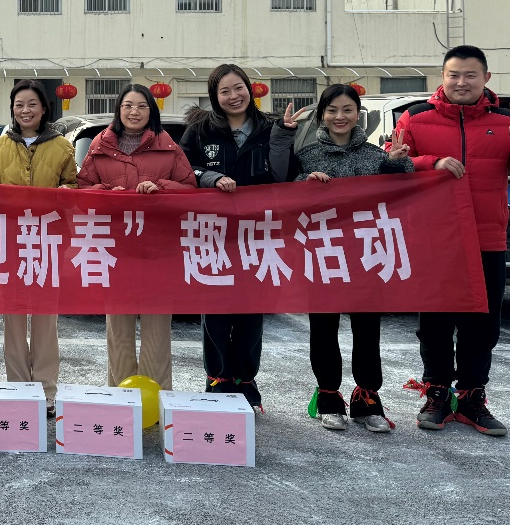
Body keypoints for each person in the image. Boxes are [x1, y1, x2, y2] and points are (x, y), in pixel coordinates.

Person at [393, 45, 510, 436]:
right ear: (442, 77)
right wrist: (431, 163)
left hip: (486, 238)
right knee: (435, 323)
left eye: (470, 75)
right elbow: (393, 166)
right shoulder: (415, 118)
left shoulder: (506, 121)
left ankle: (472, 398)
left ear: (486, 78)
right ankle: (437, 393)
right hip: (435, 238)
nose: (461, 82)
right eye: (454, 75)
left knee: (483, 324)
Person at [280, 84, 413, 433]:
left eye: (348, 110)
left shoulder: (376, 155)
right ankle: (328, 397)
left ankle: (368, 399)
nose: (340, 117)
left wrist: (399, 164)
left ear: (358, 114)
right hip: (323, 253)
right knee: (323, 327)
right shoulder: (308, 155)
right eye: (332, 110)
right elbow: (287, 195)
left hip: (366, 254)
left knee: (367, 328)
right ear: (322, 115)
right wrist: (305, 183)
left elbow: (403, 192)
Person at [178, 63, 295, 412]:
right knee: (214, 310)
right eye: (224, 91)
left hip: (257, 234)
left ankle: (246, 381)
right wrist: (210, 178)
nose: (233, 96)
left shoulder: (271, 127)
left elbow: (285, 176)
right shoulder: (199, 130)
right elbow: (182, 170)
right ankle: (218, 379)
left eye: (238, 88)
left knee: (251, 310)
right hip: (212, 233)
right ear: (214, 97)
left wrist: (283, 138)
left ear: (250, 88)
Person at [77, 84, 196, 391]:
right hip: (114, 248)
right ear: (119, 110)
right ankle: (121, 397)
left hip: (158, 248)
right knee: (118, 328)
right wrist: (108, 192)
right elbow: (81, 191)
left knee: (158, 329)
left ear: (151, 111)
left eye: (142, 106)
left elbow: (190, 188)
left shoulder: (167, 145)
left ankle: (157, 396)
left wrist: (160, 187)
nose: (134, 112)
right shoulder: (100, 145)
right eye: (128, 105)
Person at [0, 80, 76, 415]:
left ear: (44, 108)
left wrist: (66, 192)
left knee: (46, 319)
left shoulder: (62, 147)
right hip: (11, 241)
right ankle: (19, 388)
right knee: (14, 318)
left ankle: (47, 391)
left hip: (48, 240)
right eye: (19, 104)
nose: (25, 110)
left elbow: (73, 186)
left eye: (32, 104)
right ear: (12, 109)